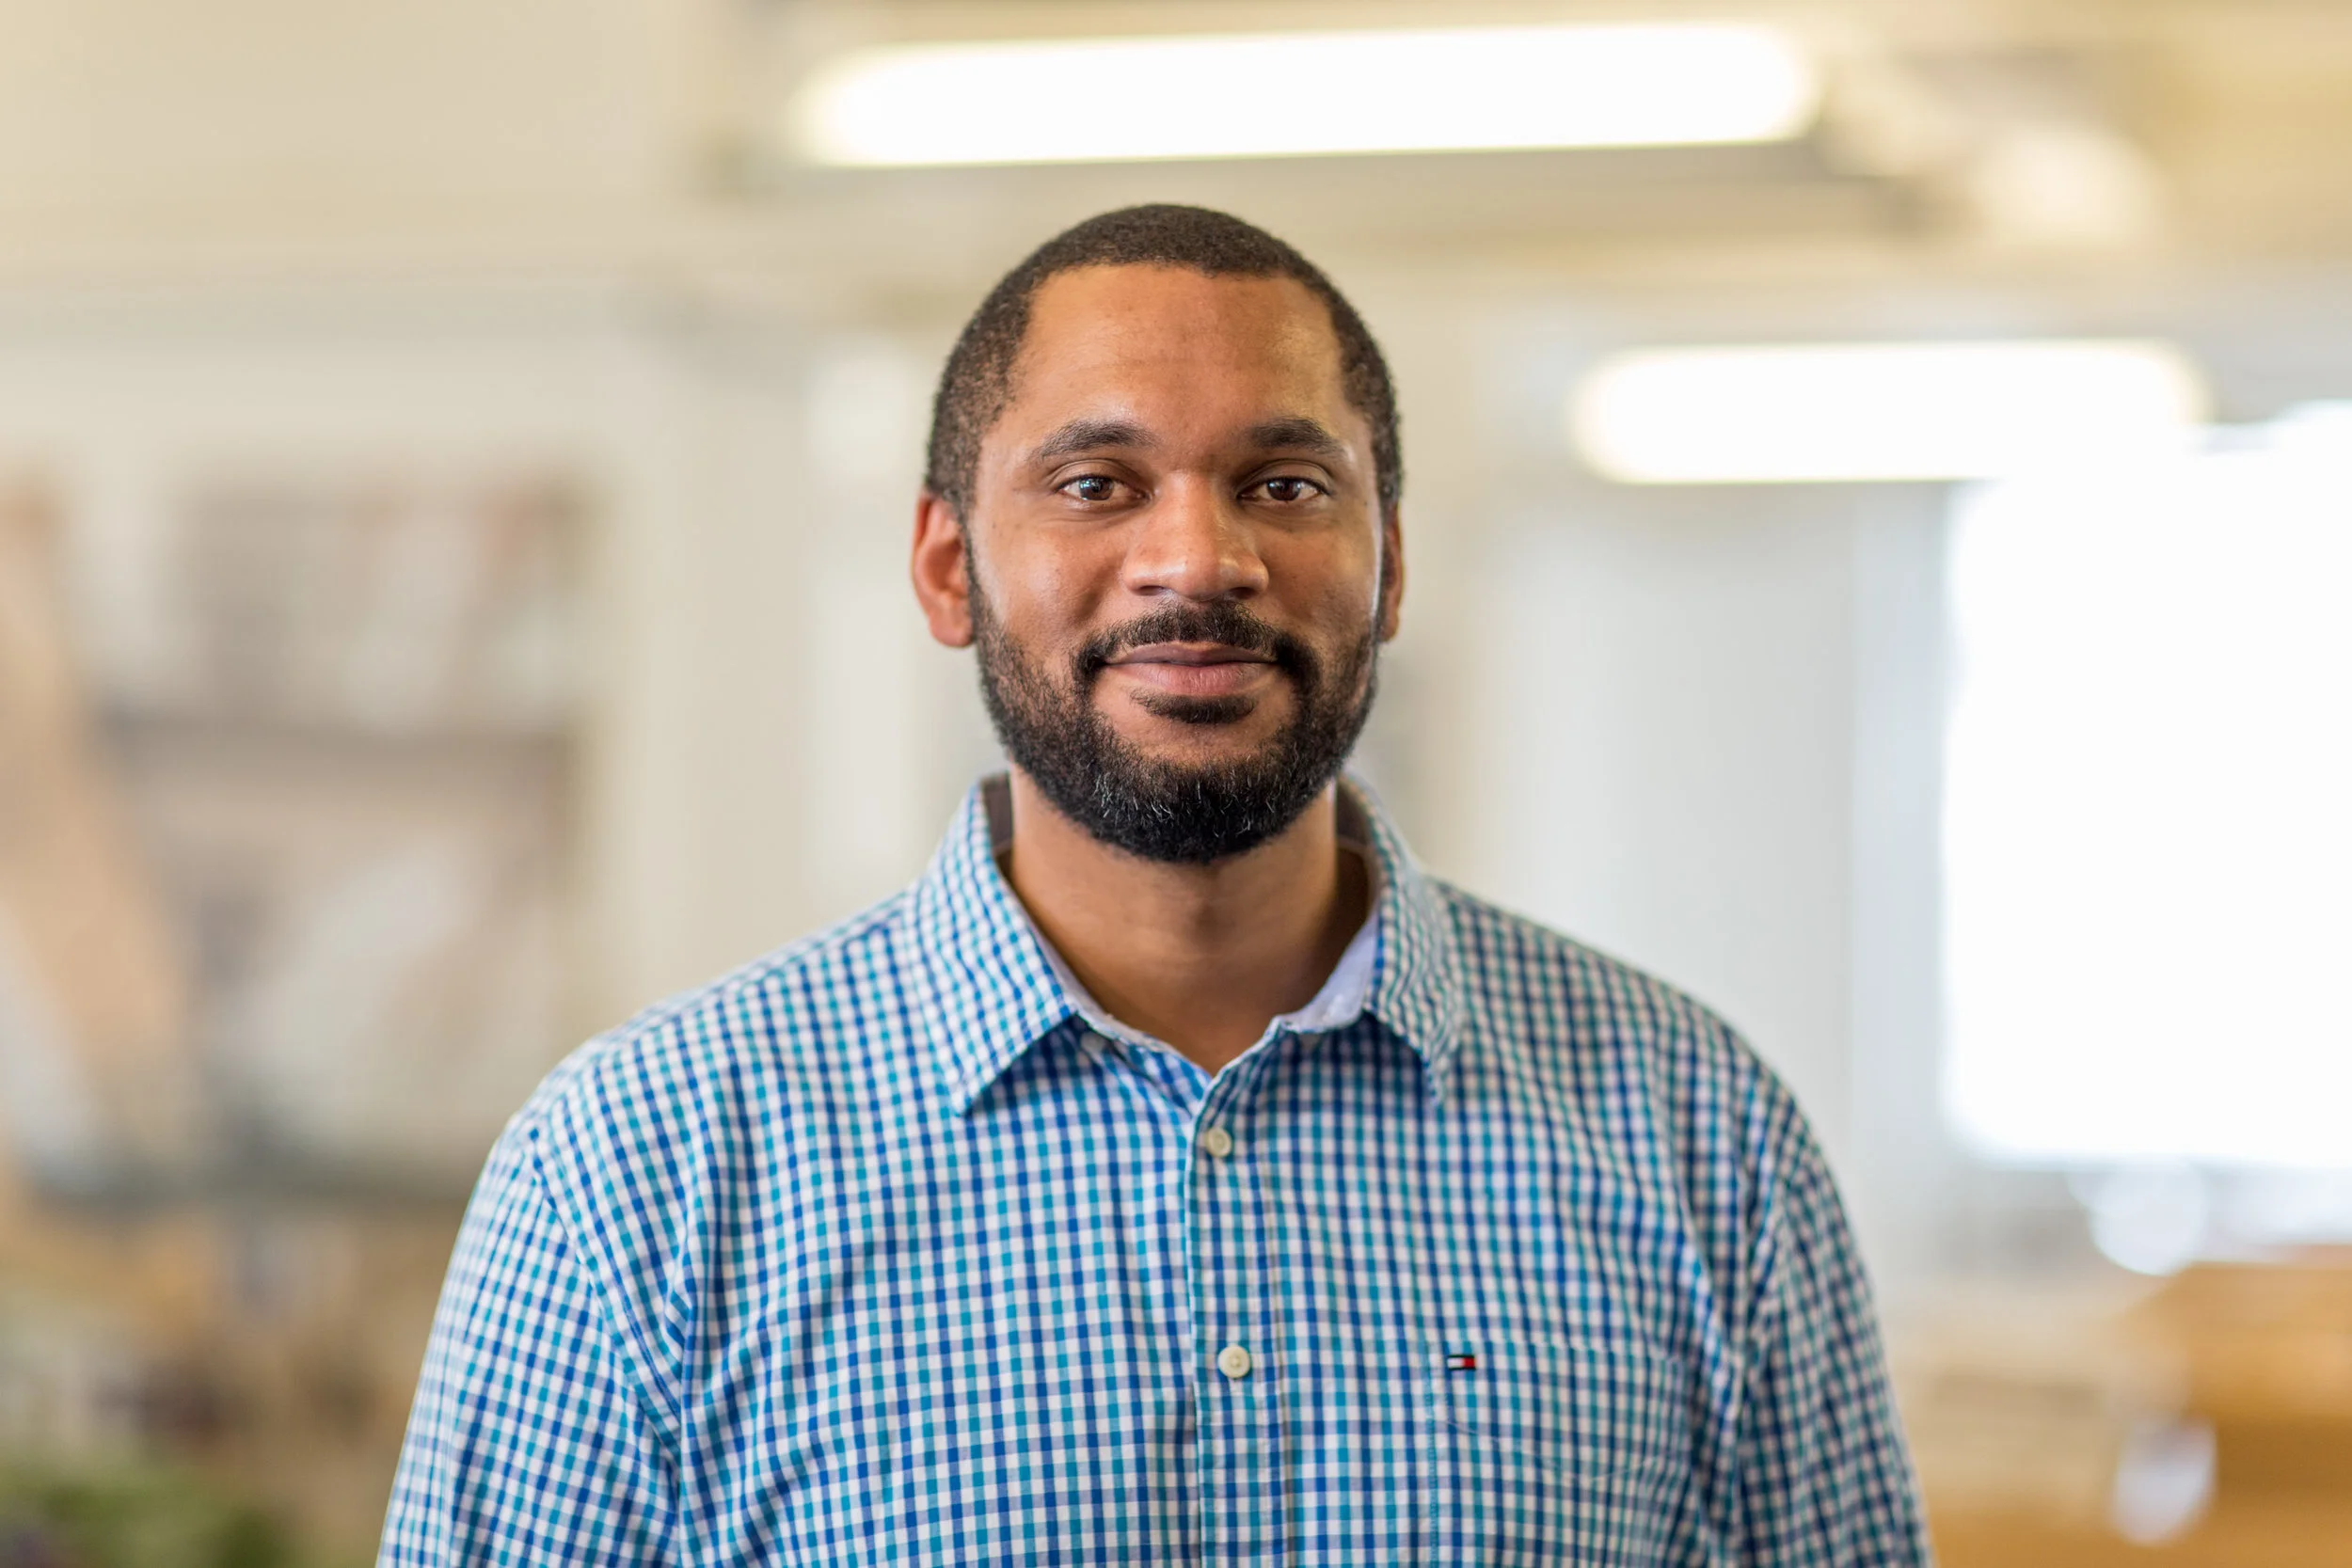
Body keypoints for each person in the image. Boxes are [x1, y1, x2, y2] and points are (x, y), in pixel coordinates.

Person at [382, 204, 1929, 1564]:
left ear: (1391, 566)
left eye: (1287, 484)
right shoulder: (636, 1174)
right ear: (944, 566)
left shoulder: (1698, 1136)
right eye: (1096, 482)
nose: (1197, 559)